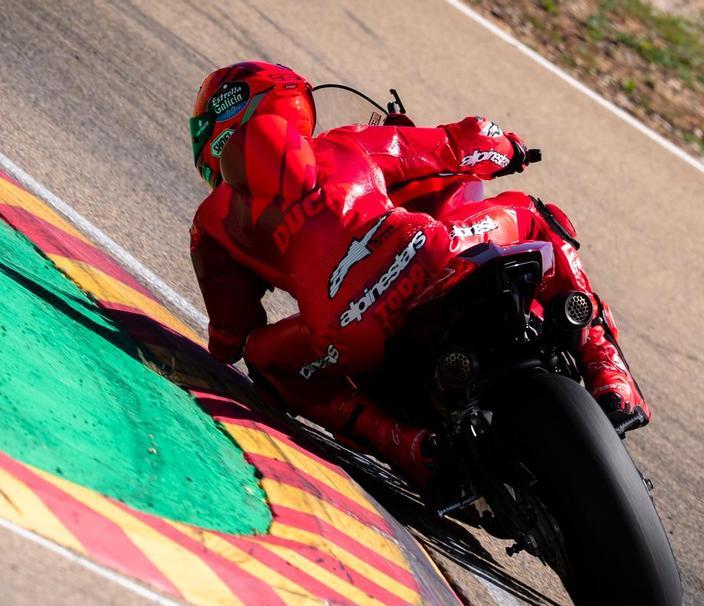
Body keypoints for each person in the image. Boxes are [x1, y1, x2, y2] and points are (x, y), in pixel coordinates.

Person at [188, 61, 650, 489]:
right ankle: (604, 364)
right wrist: (509, 149)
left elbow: (230, 339)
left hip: (345, 329)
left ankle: (402, 442)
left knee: (264, 359)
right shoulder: (343, 144)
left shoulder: (212, 223)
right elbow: (457, 146)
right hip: (427, 253)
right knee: (534, 214)